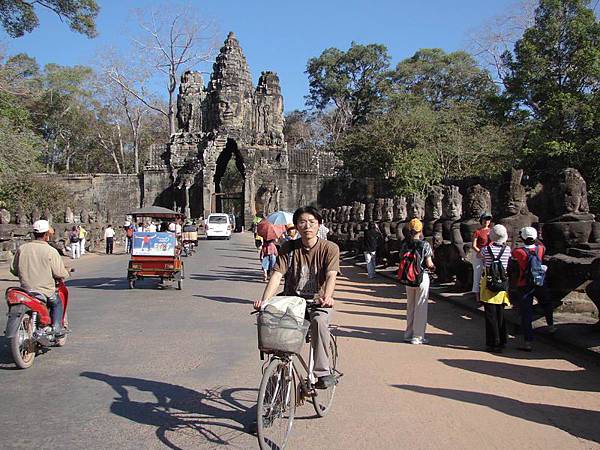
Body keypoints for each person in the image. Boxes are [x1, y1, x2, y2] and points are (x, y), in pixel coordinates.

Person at [254, 206, 339, 389]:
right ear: (297, 226)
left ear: (319, 225)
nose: (307, 226)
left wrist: (328, 297)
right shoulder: (288, 248)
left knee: (319, 322)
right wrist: (265, 301)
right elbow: (276, 276)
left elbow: (332, 275)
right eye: (302, 222)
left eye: (311, 222)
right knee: (273, 324)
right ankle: (279, 374)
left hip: (318, 302)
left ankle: (322, 371)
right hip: (291, 301)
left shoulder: (329, 248)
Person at [10, 220, 70, 336]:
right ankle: (56, 328)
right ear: (47, 234)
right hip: (45, 291)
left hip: (25, 290)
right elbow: (59, 273)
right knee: (57, 302)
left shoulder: (22, 248)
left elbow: (14, 270)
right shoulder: (50, 251)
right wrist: (66, 273)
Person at [508, 226, 555, 351]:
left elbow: (512, 264)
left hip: (524, 283)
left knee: (526, 313)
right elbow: (541, 246)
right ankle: (551, 326)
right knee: (546, 303)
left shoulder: (518, 252)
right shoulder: (541, 249)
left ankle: (528, 342)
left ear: (522, 238)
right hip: (540, 281)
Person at [400, 219, 435, 345]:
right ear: (420, 230)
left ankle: (408, 334)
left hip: (408, 278)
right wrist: (433, 268)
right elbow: (429, 263)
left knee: (410, 306)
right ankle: (418, 336)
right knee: (421, 306)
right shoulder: (424, 244)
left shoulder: (405, 244)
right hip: (421, 277)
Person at [479, 224, 511, 353]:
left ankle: (493, 342)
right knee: (500, 314)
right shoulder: (507, 250)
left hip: (489, 284)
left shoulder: (486, 250)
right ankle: (502, 340)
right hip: (502, 284)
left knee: (490, 316)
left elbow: (479, 257)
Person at [471, 213, 493, 303]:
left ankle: (488, 293)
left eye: (488, 220)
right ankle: (477, 295)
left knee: (490, 274)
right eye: (485, 220)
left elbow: (493, 242)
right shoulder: (477, 232)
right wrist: (481, 253)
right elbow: (473, 245)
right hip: (478, 254)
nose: (486, 222)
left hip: (489, 254)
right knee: (477, 274)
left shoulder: (491, 231)